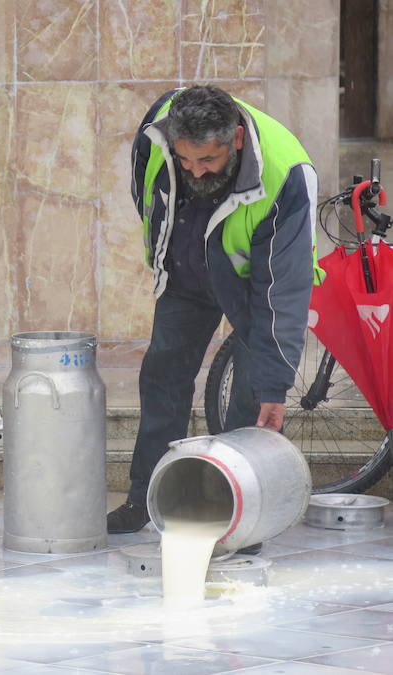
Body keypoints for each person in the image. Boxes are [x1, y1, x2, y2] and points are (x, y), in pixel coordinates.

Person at [107, 85, 321, 536]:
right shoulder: (158, 130)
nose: (194, 171)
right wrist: (165, 251)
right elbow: (145, 195)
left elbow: (283, 290)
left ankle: (238, 521)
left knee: (249, 395)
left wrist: (275, 386)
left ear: (236, 140)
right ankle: (145, 496)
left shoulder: (287, 173)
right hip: (186, 271)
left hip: (251, 286)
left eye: (206, 161)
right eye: (184, 161)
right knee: (162, 376)